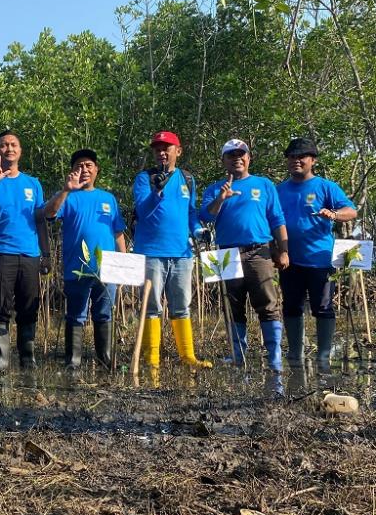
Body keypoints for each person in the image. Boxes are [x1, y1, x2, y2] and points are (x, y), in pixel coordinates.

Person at [200, 139, 288, 372]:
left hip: (259, 251)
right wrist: (221, 198)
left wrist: (284, 250)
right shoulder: (214, 188)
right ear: (224, 161)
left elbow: (277, 219)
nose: (237, 158)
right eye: (231, 155)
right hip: (224, 253)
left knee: (268, 304)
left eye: (241, 154)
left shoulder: (265, 185)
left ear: (249, 158)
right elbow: (205, 217)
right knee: (231, 306)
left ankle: (274, 356)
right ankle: (237, 355)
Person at [132, 131, 212, 382]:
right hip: (151, 253)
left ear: (178, 150)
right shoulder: (144, 178)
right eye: (157, 149)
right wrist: (157, 190)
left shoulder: (188, 179)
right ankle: (152, 357)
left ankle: (187, 356)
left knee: (181, 306)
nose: (162, 152)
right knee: (152, 306)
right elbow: (142, 211)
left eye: (167, 148)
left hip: (182, 254)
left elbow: (191, 213)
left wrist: (199, 230)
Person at [276, 138, 356, 374]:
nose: (296, 161)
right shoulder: (279, 190)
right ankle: (295, 354)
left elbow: (351, 211)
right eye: (292, 157)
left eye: (301, 157)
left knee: (323, 307)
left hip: (320, 260)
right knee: (291, 307)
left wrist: (332, 214)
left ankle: (323, 357)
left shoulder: (326, 187)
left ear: (313, 160)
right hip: (289, 259)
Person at [41, 149, 126, 371]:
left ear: (97, 170)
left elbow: (118, 233)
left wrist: (124, 263)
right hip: (76, 268)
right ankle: (73, 361)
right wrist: (66, 190)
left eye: (89, 165)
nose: (84, 170)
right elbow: (49, 214)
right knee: (76, 315)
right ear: (72, 171)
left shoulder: (109, 199)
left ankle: (104, 359)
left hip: (107, 269)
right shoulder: (68, 197)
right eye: (79, 166)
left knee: (104, 313)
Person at [0, 131, 50, 370]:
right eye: (4, 145)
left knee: (29, 306)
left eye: (13, 144)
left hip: (29, 254)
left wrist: (46, 253)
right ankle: (2, 362)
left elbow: (40, 219)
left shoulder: (32, 183)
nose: (9, 148)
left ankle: (28, 360)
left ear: (20, 151)